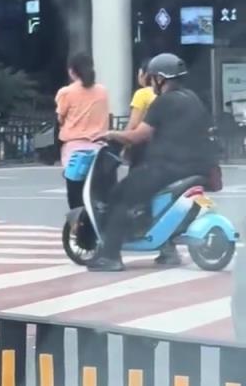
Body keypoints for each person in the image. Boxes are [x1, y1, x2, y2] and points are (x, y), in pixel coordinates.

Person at [87, 53, 214, 273]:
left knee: (119, 195)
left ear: (160, 79)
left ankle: (110, 256)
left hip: (166, 168)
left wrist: (111, 134)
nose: (151, 82)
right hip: (195, 167)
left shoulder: (163, 102)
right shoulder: (192, 98)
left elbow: (139, 136)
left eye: (153, 77)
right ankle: (168, 250)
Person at [55, 52, 111, 210]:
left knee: (75, 196)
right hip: (99, 147)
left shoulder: (66, 92)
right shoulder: (103, 91)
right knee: (97, 194)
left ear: (72, 71)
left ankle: (77, 222)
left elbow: (60, 118)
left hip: (74, 149)